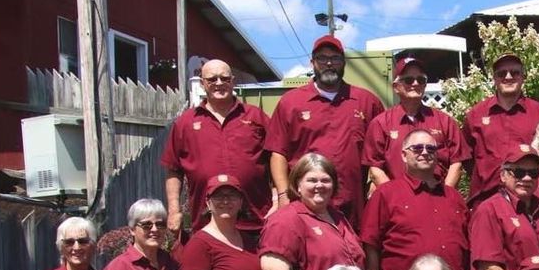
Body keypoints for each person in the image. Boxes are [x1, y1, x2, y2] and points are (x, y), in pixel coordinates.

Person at [265, 35, 384, 226]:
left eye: (335, 58)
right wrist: (282, 194)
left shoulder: (367, 102)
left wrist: (377, 186)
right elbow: (278, 152)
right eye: (322, 58)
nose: (329, 63)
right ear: (312, 62)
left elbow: (380, 152)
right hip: (305, 204)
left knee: (352, 254)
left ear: (344, 62)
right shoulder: (291, 102)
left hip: (353, 206)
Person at [361, 129, 470, 270]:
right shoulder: (386, 195)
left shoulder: (454, 198)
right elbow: (370, 249)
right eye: (417, 148)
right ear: (404, 155)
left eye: (431, 148)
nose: (425, 152)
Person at [260, 153, 365, 270]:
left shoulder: (338, 217)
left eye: (326, 180)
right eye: (312, 180)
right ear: (297, 184)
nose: (319, 185)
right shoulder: (286, 220)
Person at [162, 59, 271, 235]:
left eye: (224, 78)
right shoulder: (185, 123)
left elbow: (277, 158)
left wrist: (278, 196)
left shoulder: (256, 117)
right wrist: (174, 210)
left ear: (233, 81)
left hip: (256, 222)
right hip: (207, 224)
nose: (219, 83)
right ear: (203, 83)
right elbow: (173, 169)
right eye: (212, 79)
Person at [364, 56, 468, 191]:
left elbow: (457, 164)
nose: (415, 83)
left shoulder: (445, 122)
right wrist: (395, 198)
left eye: (421, 80)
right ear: (396, 87)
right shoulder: (381, 123)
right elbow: (375, 169)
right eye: (408, 80)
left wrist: (445, 197)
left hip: (437, 199)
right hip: (397, 203)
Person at [463, 53, 539, 206]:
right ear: (494, 79)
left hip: (529, 200)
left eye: (515, 72)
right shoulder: (476, 114)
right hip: (486, 200)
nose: (508, 77)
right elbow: (467, 158)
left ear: (523, 77)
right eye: (502, 73)